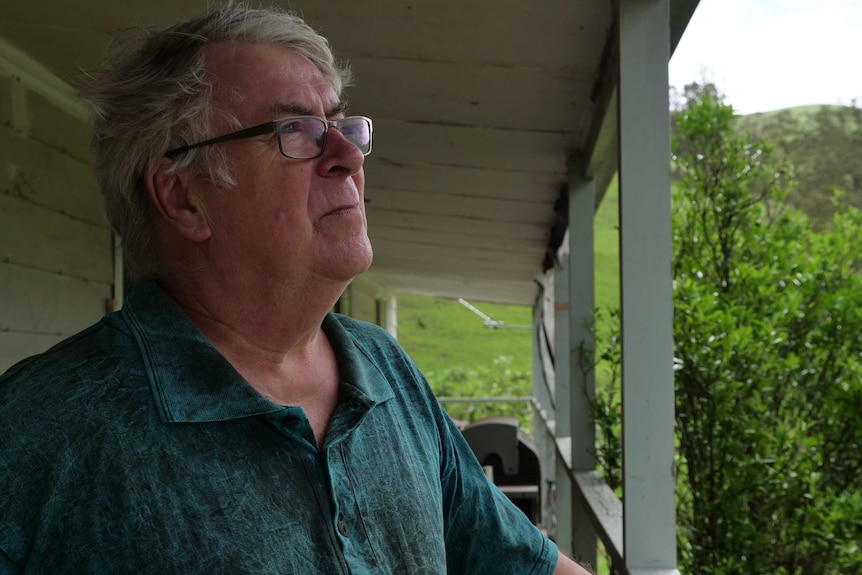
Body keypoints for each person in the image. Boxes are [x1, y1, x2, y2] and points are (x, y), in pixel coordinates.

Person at [0, 5, 592, 574]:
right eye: (298, 131)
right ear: (183, 197)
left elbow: (519, 561)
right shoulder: (43, 427)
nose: (348, 157)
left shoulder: (384, 368)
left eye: (341, 126)